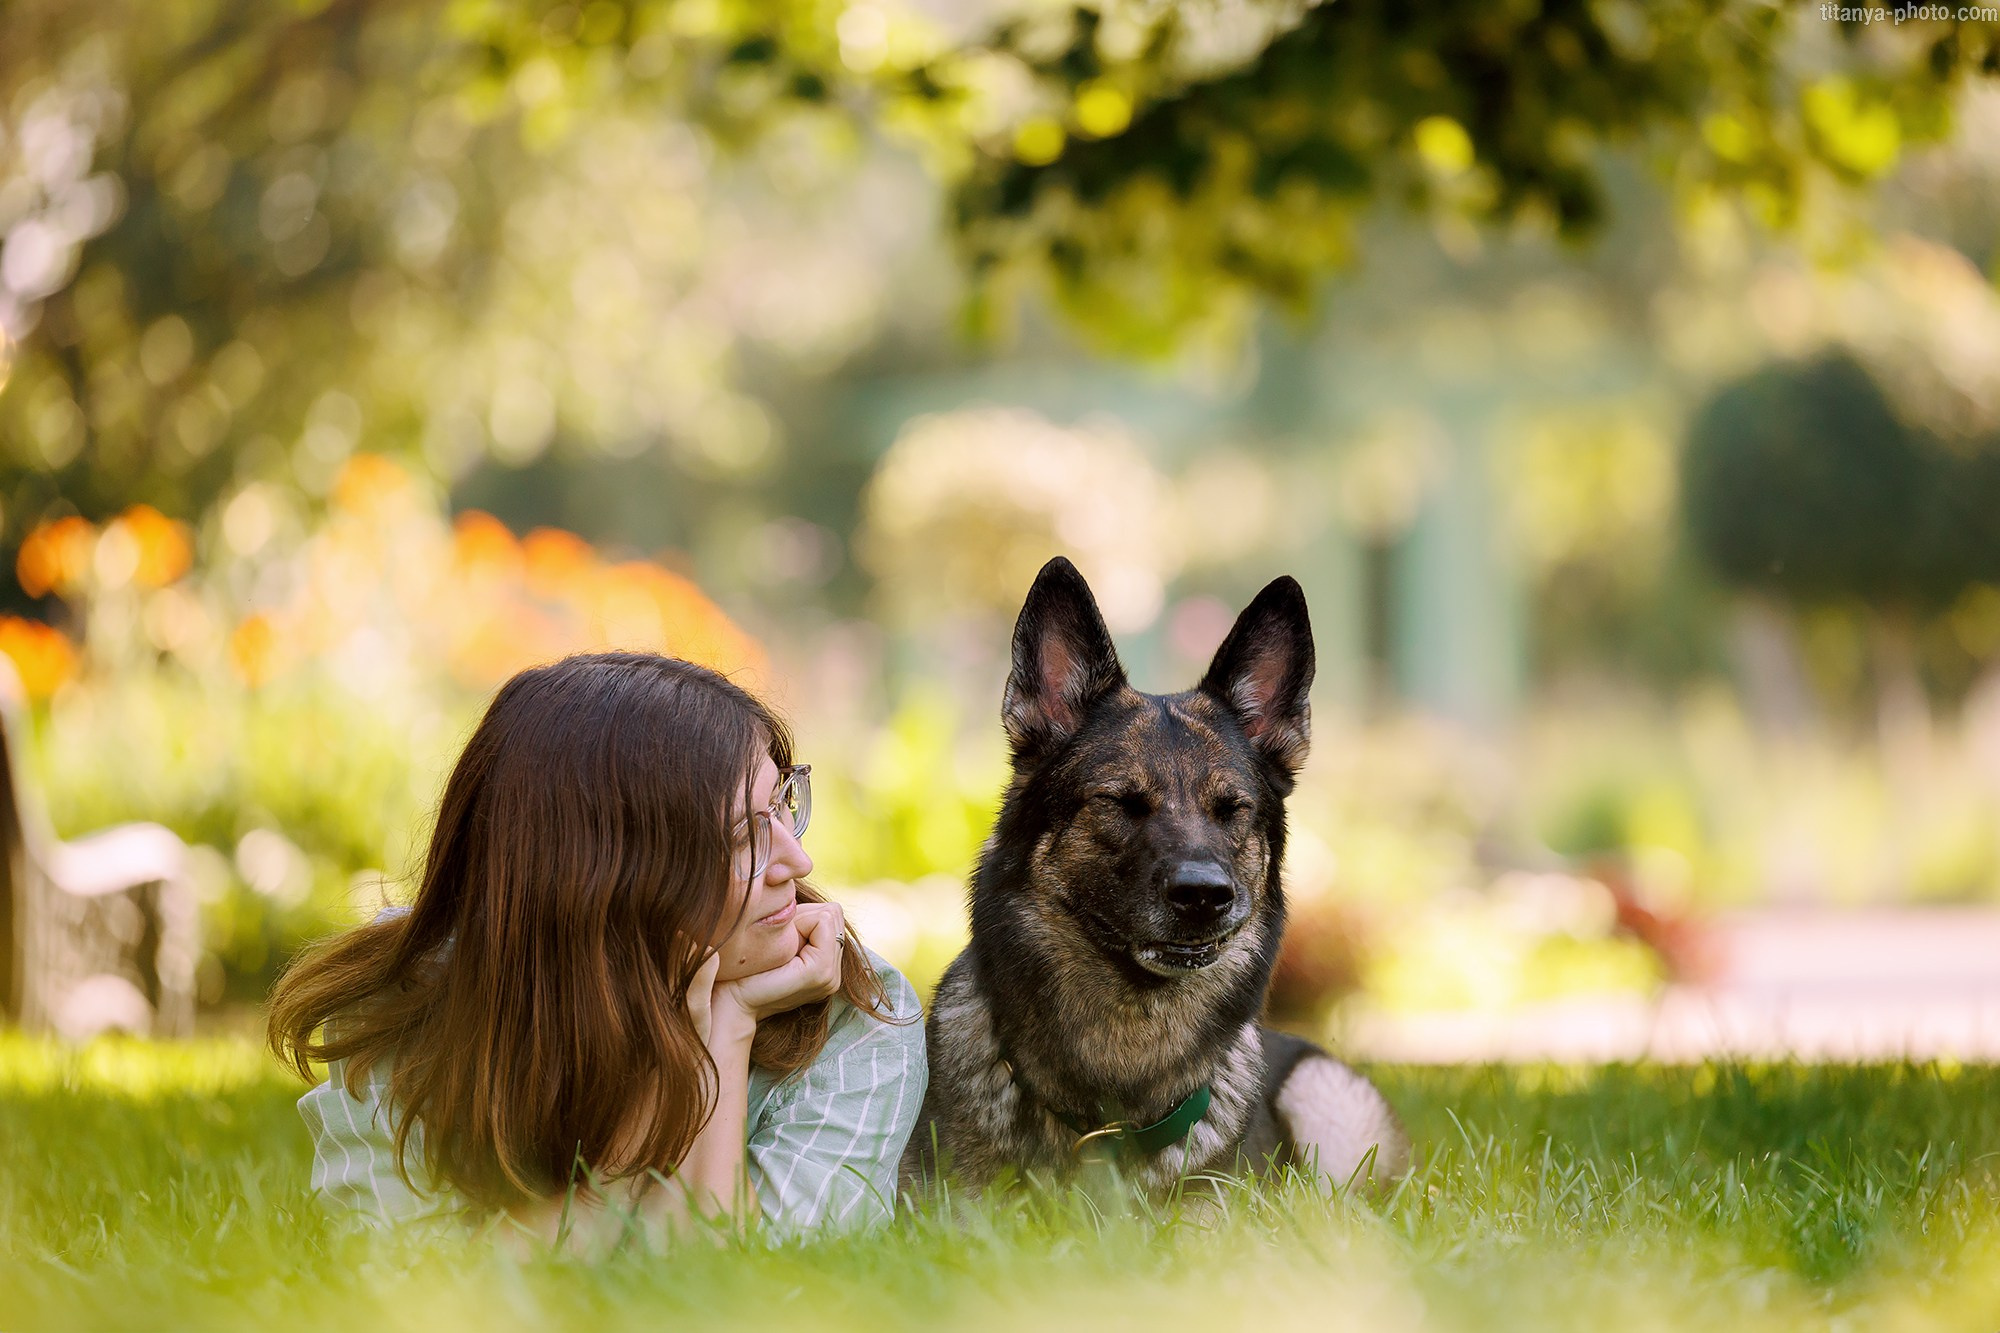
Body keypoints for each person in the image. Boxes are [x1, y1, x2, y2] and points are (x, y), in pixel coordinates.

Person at [267, 652, 927, 1243]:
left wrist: (725, 1035)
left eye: (783, 803)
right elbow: (428, 1289)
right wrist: (625, 1157)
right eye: (743, 837)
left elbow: (732, 1287)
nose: (798, 858)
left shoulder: (858, 1016)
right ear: (610, 883)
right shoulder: (410, 1001)